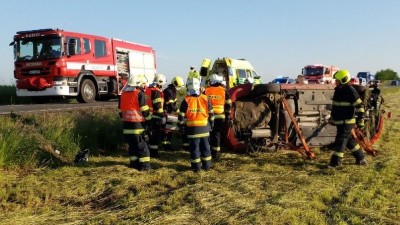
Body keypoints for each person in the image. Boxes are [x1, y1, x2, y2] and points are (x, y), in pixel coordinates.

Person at [329, 70, 367, 167]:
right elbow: (336, 107)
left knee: (340, 141)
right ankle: (361, 158)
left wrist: (360, 121)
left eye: (337, 80)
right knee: (349, 141)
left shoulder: (350, 90)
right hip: (340, 122)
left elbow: (360, 106)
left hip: (347, 122)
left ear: (343, 80)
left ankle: (335, 163)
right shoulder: (338, 90)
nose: (335, 82)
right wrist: (332, 118)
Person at [178, 77, 214, 172]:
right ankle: (207, 166)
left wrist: (181, 126)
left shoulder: (186, 100)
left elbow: (181, 116)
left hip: (192, 130)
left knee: (195, 150)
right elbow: (211, 113)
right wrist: (212, 124)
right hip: (205, 129)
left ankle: (196, 168)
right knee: (206, 148)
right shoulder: (205, 98)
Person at [119, 75, 152, 171]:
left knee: (132, 146)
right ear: (138, 84)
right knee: (142, 146)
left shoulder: (123, 94)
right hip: (137, 125)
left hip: (126, 125)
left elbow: (120, 111)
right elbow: (144, 110)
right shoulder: (139, 93)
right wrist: (149, 120)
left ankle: (134, 165)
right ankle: (145, 167)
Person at [204, 74, 232, 160]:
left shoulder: (206, 90)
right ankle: (215, 153)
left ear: (211, 81)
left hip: (208, 116)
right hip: (220, 116)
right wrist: (228, 116)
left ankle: (207, 151)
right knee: (217, 134)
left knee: (208, 134)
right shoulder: (224, 90)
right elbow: (228, 105)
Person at [145, 74, 166, 157]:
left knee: (148, 134)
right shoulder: (156, 91)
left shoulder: (147, 90)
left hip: (146, 116)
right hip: (155, 116)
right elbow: (157, 105)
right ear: (160, 83)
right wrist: (162, 114)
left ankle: (147, 151)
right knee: (155, 136)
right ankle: (154, 153)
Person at [162, 76, 185, 151]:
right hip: (167, 112)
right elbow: (171, 105)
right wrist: (179, 112)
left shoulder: (172, 90)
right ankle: (165, 146)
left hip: (170, 113)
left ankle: (167, 145)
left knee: (169, 130)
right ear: (174, 84)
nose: (179, 88)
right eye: (178, 86)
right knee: (167, 130)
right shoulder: (169, 91)